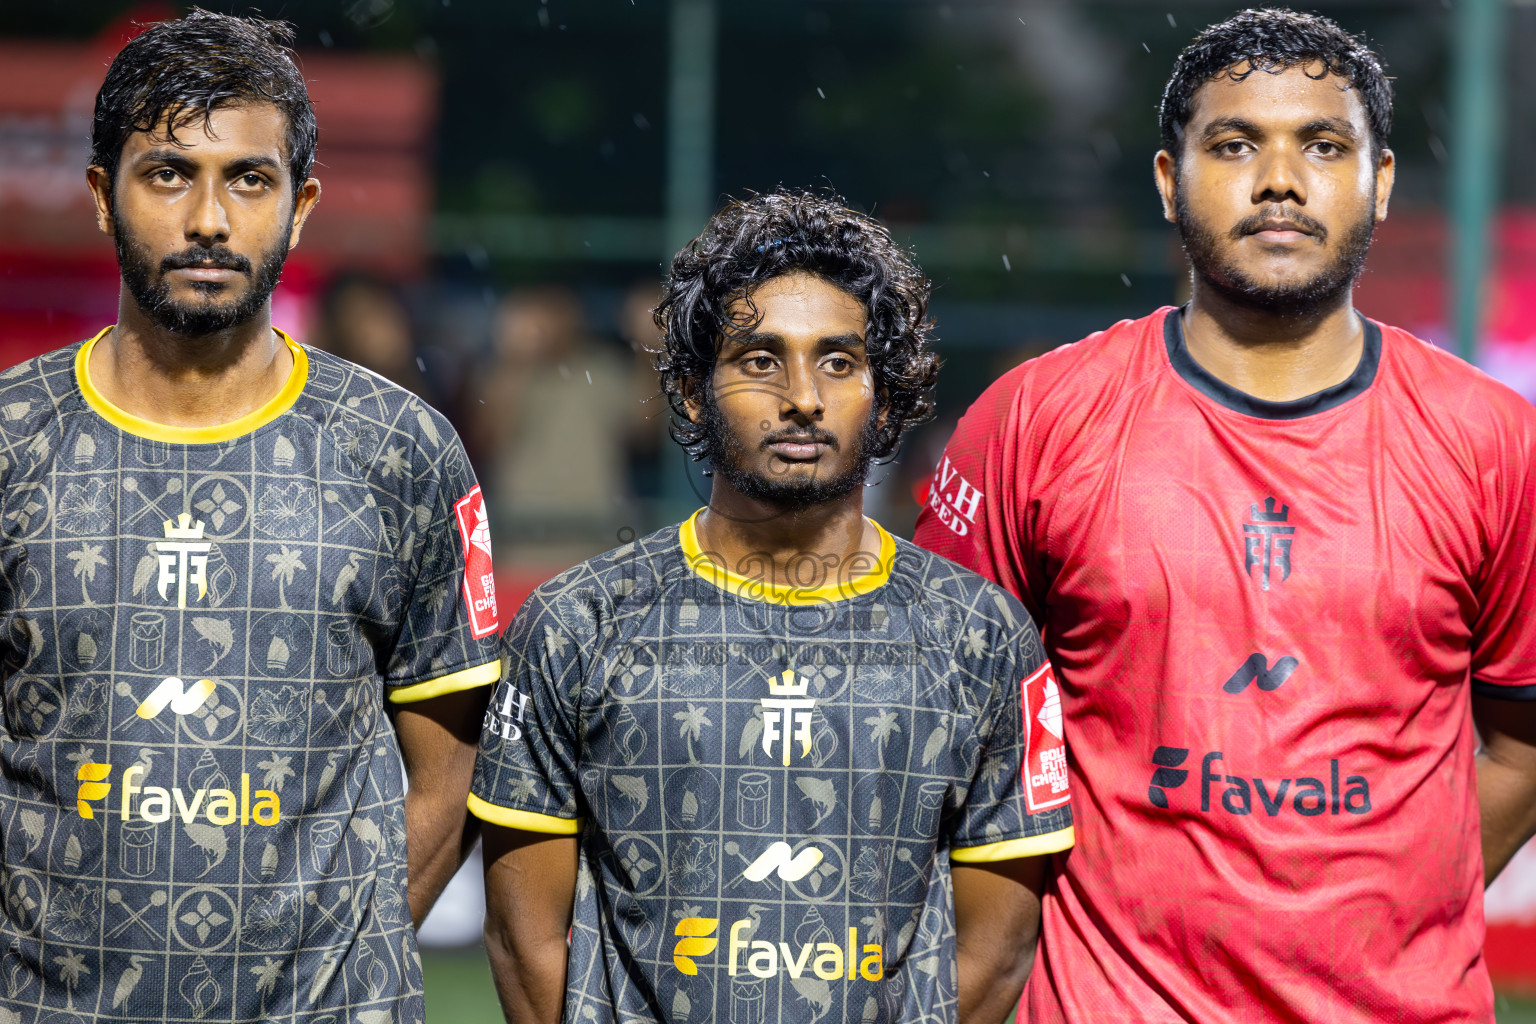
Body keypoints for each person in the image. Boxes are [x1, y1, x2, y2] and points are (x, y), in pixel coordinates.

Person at [914, 8, 1536, 1022]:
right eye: (1236, 144)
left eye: (1323, 146)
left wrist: (1398, 904)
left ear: (1380, 181)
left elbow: (1524, 742)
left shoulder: (1495, 443)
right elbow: (931, 729)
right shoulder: (1033, 421)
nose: (1279, 180)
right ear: (1170, 180)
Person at [0, 12, 500, 1021]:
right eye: (168, 174)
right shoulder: (12, 440)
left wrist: (323, 982)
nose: (210, 220)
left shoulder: (399, 449)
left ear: (301, 205)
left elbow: (451, 777)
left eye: (249, 180)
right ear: (101, 195)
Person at [470, 190, 1074, 1024]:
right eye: (760, 360)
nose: (803, 396)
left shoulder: (981, 637)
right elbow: (523, 939)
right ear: (693, 392)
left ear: (884, 396)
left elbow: (997, 950)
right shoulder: (577, 623)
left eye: (839, 362)